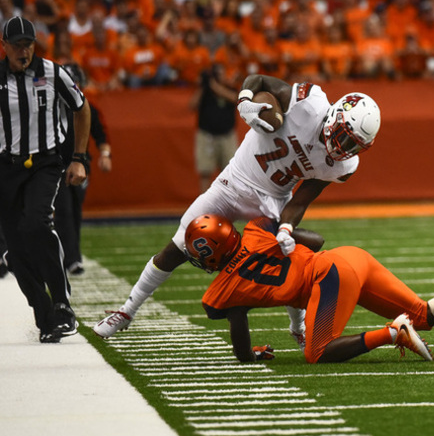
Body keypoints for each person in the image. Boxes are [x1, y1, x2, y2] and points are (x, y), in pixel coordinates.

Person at [93, 75, 382, 349]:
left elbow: (302, 200)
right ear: (335, 117)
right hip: (234, 183)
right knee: (180, 245)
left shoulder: (344, 166)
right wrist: (245, 100)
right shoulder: (309, 103)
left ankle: (299, 327)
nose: (344, 149)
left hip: (274, 199)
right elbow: (259, 80)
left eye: (354, 146)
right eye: (344, 138)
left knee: (292, 259)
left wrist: (285, 229)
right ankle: (127, 312)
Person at [184, 214, 434, 363]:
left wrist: (251, 356)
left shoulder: (220, 294)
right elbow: (318, 240)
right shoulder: (257, 229)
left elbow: (238, 330)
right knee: (422, 316)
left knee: (317, 352)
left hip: (329, 276)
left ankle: (392, 333)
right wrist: (285, 233)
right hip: (349, 257)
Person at [0, 16, 91, 343]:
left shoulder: (53, 72)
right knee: (13, 251)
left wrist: (78, 158)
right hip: (6, 166)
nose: (23, 51)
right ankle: (46, 317)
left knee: (36, 225)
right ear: (5, 46)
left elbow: (82, 107)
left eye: (28, 44)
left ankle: (63, 304)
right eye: (17, 45)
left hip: (45, 161)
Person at [54, 63, 113, 276]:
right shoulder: (50, 106)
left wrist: (105, 155)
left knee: (75, 210)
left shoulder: (89, 107)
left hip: (80, 164)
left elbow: (101, 135)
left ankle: (71, 256)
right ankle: (70, 259)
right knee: (63, 211)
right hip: (55, 164)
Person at [191, 62, 238, 194]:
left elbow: (235, 98)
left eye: (221, 73)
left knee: (231, 173)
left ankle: (230, 206)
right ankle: (205, 208)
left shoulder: (232, 88)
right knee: (205, 171)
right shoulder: (205, 91)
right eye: (216, 74)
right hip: (207, 135)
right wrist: (203, 86)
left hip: (227, 136)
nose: (219, 76)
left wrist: (214, 85)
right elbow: (192, 105)